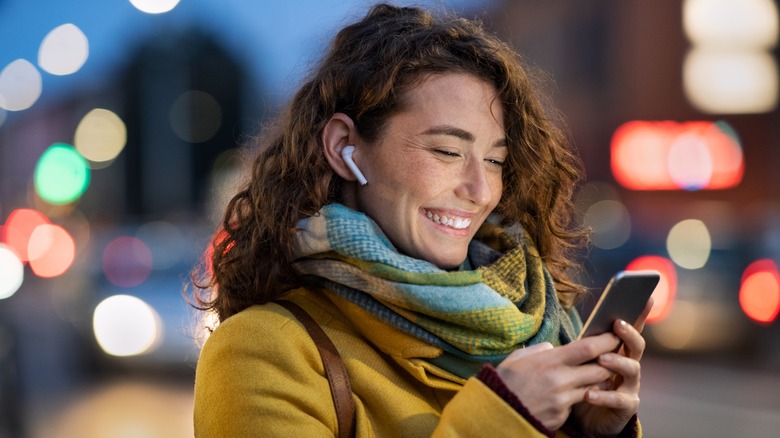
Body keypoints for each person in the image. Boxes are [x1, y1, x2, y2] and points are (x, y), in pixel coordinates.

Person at [191, 3, 651, 437]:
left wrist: (585, 429)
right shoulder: (262, 350)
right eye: (446, 152)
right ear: (343, 147)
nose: (481, 191)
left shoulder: (542, 324)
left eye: (495, 161)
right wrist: (503, 417)